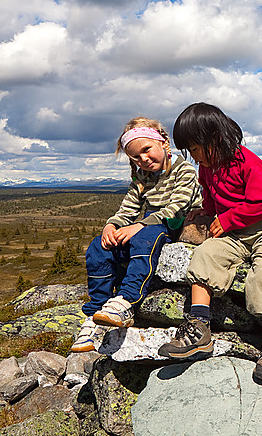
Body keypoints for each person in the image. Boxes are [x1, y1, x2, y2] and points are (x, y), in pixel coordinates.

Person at [158, 103, 262, 384]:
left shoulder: (250, 163)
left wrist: (228, 219)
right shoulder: (208, 167)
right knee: (205, 254)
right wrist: (205, 211)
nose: (194, 157)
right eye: (190, 151)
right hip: (234, 233)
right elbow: (210, 193)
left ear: (215, 138)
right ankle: (199, 327)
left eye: (195, 148)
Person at [71, 117, 201, 353]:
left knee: (144, 238)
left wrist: (139, 226)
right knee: (99, 247)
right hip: (150, 223)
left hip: (177, 222)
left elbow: (176, 208)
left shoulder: (185, 169)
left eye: (147, 150)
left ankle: (126, 300)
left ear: (163, 141)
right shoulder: (141, 177)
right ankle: (96, 314)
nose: (144, 159)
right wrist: (111, 226)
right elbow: (128, 208)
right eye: (136, 157)